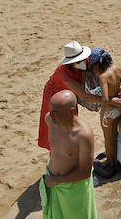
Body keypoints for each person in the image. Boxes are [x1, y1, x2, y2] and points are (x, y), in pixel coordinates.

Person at [40, 90, 97, 219]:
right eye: (50, 110)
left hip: (73, 190)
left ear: (71, 112)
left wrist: (57, 180)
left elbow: (85, 172)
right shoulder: (50, 120)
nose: (51, 115)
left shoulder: (84, 136)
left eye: (56, 112)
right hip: (52, 182)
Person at [87, 47, 121, 177]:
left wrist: (102, 117)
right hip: (119, 109)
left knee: (108, 138)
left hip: (110, 112)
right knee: (115, 135)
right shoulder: (118, 69)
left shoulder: (103, 77)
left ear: (96, 65)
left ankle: (110, 163)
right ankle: (114, 159)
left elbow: (105, 99)